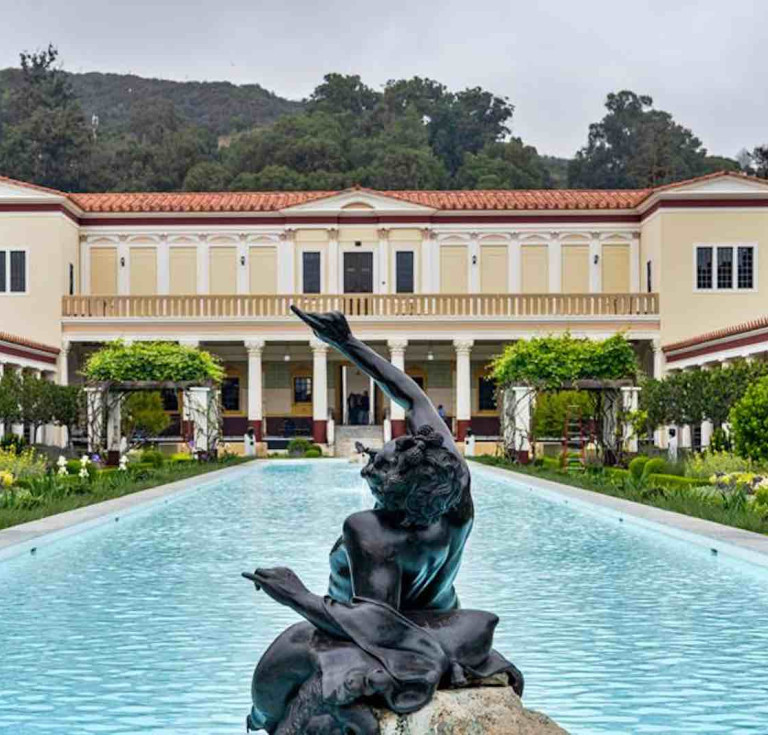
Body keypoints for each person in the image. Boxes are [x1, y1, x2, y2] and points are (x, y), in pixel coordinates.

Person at [244, 307, 521, 734]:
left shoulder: (372, 530)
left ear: (393, 499)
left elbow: (377, 623)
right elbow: (414, 398)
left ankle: (275, 720)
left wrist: (295, 594)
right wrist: (347, 343)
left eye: (379, 464)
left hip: (394, 638)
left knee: (285, 654)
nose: (374, 455)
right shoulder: (454, 491)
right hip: (447, 622)